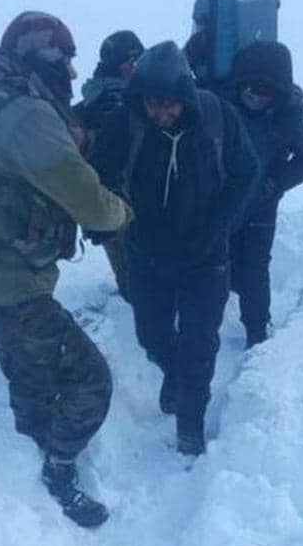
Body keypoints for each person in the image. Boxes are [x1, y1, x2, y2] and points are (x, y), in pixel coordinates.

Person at [0, 11, 132, 528]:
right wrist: (125, 213)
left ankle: (29, 435)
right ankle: (59, 468)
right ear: (41, 60)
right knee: (91, 382)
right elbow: (91, 205)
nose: (72, 73)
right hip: (6, 283)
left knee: (28, 364)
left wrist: (78, 126)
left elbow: (13, 158)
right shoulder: (27, 116)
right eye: (65, 60)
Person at [89, 41, 259, 456]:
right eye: (152, 104)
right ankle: (175, 374)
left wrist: (218, 228)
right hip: (146, 251)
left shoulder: (217, 117)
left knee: (199, 343)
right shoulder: (125, 124)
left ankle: (190, 425)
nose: (160, 113)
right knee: (152, 335)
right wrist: (105, 219)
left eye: (169, 105)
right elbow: (99, 175)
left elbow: (246, 172)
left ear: (185, 97)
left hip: (206, 254)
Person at [225, 41, 303, 347]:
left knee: (255, 268)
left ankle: (256, 331)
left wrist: (277, 182)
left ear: (278, 93)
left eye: (264, 93)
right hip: (223, 203)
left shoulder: (289, 116)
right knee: (220, 262)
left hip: (260, 205)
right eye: (250, 92)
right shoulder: (221, 104)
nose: (255, 98)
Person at [74, 30, 144, 300]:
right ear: (123, 64)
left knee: (123, 261)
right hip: (122, 198)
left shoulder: (92, 97)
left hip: (99, 199)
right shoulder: (117, 101)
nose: (139, 66)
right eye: (135, 60)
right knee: (134, 269)